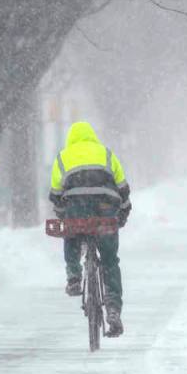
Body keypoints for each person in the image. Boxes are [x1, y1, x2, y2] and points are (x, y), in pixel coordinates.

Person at [49, 121, 131, 337]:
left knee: (72, 233)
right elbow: (122, 188)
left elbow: (55, 194)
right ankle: (113, 308)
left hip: (77, 210)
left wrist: (62, 213)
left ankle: (74, 277)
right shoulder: (106, 154)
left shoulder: (63, 157)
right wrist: (123, 212)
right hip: (105, 210)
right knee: (110, 261)